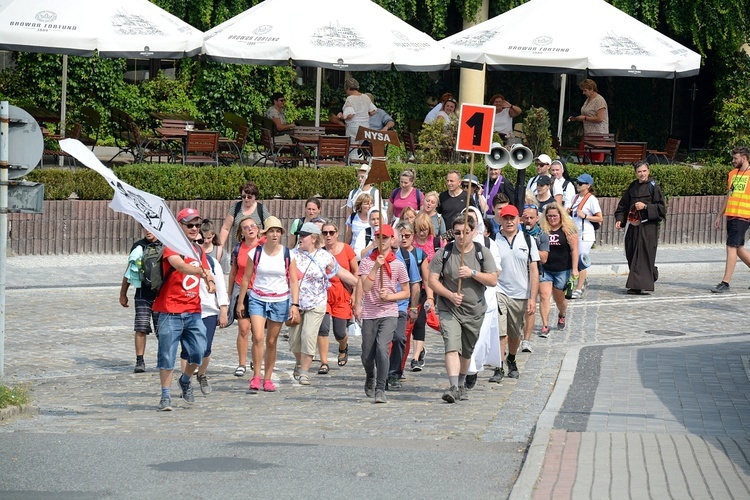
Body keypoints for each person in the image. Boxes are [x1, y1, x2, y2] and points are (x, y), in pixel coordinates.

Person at [428, 215, 499, 403]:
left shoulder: (482, 252)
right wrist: (450, 295)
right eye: (457, 233)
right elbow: (432, 280)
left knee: (466, 352)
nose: (461, 237)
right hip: (449, 308)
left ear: (473, 232)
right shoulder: (444, 253)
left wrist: (472, 273)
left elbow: (492, 280)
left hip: (474, 310)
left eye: (465, 232)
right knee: (451, 345)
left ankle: (460, 383)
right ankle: (452, 386)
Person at [153, 207, 216, 411]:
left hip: (193, 310)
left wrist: (211, 281)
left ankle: (186, 379)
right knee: (167, 356)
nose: (194, 228)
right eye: (190, 225)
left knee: (199, 352)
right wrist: (201, 272)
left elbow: (207, 271)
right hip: (170, 310)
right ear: (180, 227)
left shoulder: (198, 250)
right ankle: (165, 396)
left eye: (197, 225)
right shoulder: (171, 246)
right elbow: (179, 266)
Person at [289, 222, 357, 386]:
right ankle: (299, 361)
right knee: (294, 342)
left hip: (317, 303)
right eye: (300, 235)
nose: (300, 238)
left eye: (304, 235)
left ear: (313, 238)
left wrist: (359, 285)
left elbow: (340, 272)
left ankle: (305, 372)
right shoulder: (291, 255)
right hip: (296, 304)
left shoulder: (324, 256)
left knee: (309, 336)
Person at [237, 216, 299, 393]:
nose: (274, 234)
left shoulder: (288, 254)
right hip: (257, 298)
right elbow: (246, 278)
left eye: (277, 231)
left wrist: (294, 304)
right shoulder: (255, 253)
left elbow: (293, 281)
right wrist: (241, 302)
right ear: (265, 233)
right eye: (271, 231)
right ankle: (256, 375)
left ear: (281, 234)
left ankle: (268, 378)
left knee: (271, 341)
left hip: (280, 299)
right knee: (257, 336)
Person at [356, 224, 410, 404]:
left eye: (386, 238)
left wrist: (391, 296)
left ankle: (380, 388)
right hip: (370, 312)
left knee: (382, 348)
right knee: (366, 355)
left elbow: (406, 292)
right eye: (379, 237)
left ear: (392, 240)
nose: (382, 241)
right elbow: (365, 287)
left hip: (389, 312)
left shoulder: (398, 264)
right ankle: (370, 375)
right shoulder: (366, 261)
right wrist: (375, 268)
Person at [489, 205, 540, 383]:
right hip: (499, 291)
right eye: (506, 218)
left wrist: (533, 298)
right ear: (500, 221)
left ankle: (511, 357)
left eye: (512, 218)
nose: (509, 222)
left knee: (514, 332)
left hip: (520, 292)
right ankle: (499, 366)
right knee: (501, 330)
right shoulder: (494, 240)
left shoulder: (528, 240)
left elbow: (534, 271)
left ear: (518, 219)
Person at [179, 248, 229, 395]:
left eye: (203, 241)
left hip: (208, 310)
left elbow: (220, 287)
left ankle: (201, 374)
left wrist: (223, 310)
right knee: (187, 350)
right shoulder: (180, 261)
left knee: (205, 349)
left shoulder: (212, 263)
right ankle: (185, 382)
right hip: (188, 309)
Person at [612, 161, 667, 294]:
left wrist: (646, 206)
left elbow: (661, 209)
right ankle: (651, 274)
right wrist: (620, 220)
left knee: (642, 255)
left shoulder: (654, 187)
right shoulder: (633, 187)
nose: (642, 174)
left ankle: (637, 286)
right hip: (634, 225)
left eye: (644, 171)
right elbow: (623, 206)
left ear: (648, 171)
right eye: (639, 172)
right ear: (635, 173)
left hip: (648, 227)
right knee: (631, 251)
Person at [387, 221, 425, 390]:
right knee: (377, 343)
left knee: (399, 338)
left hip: (401, 306)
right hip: (379, 306)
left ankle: (395, 372)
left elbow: (415, 284)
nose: (398, 241)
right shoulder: (375, 256)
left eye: (401, 237)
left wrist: (414, 307)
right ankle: (378, 371)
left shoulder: (406, 257)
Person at [119, 229, 160, 373]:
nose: (148, 231)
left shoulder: (166, 245)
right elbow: (130, 270)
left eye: (151, 228)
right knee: (141, 327)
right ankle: (139, 361)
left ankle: (163, 359)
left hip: (162, 295)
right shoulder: (139, 246)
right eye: (145, 227)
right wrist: (123, 293)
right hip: (143, 294)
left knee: (163, 330)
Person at [319, 222, 358, 371]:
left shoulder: (346, 249)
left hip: (342, 294)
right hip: (324, 295)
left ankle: (343, 347)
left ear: (337, 233)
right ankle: (324, 362)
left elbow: (356, 272)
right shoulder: (320, 252)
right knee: (323, 328)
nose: (328, 235)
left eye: (331, 232)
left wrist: (355, 293)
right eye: (325, 233)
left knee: (340, 332)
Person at [712, 146, 750, 293]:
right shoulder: (732, 174)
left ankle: (725, 282)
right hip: (732, 215)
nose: (733, 161)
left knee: (731, 247)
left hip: (743, 216)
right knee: (739, 248)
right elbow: (729, 196)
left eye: (735, 158)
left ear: (744, 158)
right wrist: (720, 215)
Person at [227, 217, 261, 377]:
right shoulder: (237, 249)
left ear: (258, 229)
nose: (250, 229)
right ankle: (242, 363)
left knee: (258, 330)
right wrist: (228, 294)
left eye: (253, 226)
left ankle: (257, 358)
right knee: (243, 328)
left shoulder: (264, 246)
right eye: (246, 227)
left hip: (260, 291)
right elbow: (233, 272)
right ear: (241, 232)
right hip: (242, 290)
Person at [539, 203, 578, 337]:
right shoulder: (542, 230)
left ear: (560, 216)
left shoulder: (568, 230)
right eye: (549, 216)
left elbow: (574, 250)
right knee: (544, 296)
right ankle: (545, 325)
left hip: (562, 269)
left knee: (559, 299)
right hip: (545, 269)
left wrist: (575, 269)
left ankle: (562, 313)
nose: (552, 218)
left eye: (555, 215)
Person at [569, 173, 603, 299]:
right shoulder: (574, 198)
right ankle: (581, 282)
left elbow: (600, 217)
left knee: (580, 261)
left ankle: (579, 288)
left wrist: (586, 216)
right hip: (574, 233)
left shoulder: (592, 199)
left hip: (585, 234)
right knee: (572, 259)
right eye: (577, 182)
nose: (577, 185)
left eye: (581, 183)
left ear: (588, 185)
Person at [520, 204, 549, 351]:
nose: (528, 220)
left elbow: (543, 258)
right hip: (517, 273)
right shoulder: (516, 233)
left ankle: (527, 340)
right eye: (526, 217)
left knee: (531, 307)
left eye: (532, 218)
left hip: (535, 273)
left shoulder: (542, 235)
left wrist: (528, 248)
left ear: (537, 218)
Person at [219, 182, 271, 251]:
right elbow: (225, 229)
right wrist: (219, 248)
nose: (246, 199)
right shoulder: (236, 208)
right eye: (243, 197)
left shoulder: (261, 209)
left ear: (255, 196)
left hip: (257, 250)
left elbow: (270, 227)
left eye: (249, 197)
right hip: (238, 250)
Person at [568, 78, 609, 163]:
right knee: (584, 155)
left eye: (585, 90)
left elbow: (600, 118)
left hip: (598, 134)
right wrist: (577, 118)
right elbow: (588, 115)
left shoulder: (599, 100)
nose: (583, 93)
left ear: (592, 89)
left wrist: (585, 118)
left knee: (595, 158)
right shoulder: (588, 100)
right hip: (588, 133)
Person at [339, 78, 376, 157]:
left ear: (348, 88)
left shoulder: (350, 98)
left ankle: (353, 165)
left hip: (354, 127)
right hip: (365, 127)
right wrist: (364, 116)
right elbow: (373, 111)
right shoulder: (366, 97)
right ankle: (357, 163)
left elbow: (350, 115)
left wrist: (342, 116)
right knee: (357, 148)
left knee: (351, 148)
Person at [346, 192, 374, 258]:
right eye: (366, 204)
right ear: (360, 205)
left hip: (369, 252)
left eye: (371, 203)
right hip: (354, 252)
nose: (369, 206)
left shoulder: (374, 218)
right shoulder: (352, 217)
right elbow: (348, 236)